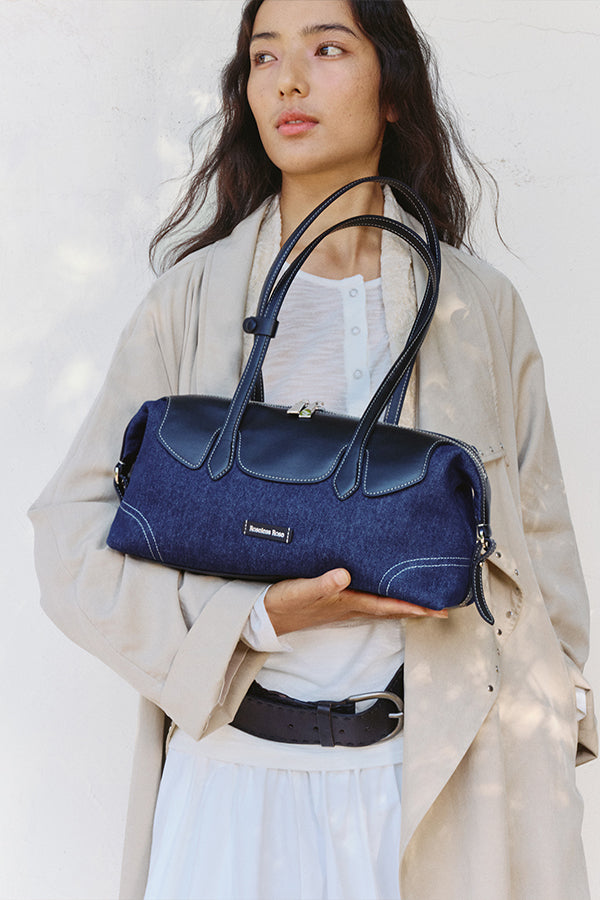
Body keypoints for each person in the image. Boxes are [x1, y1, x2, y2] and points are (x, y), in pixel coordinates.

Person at [29, 1, 597, 899]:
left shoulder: (478, 307)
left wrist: (555, 722)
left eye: (327, 48)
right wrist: (257, 619)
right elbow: (70, 537)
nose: (288, 81)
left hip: (431, 789)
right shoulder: (191, 301)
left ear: (393, 90)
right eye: (264, 57)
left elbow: (542, 543)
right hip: (232, 788)